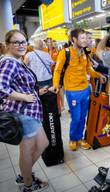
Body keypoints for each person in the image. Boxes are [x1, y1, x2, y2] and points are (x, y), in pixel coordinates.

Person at [0, 30, 49, 192]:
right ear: (7, 45)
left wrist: (36, 92)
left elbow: (18, 84)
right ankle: (28, 184)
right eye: (16, 42)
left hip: (31, 113)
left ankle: (24, 174)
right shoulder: (10, 62)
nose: (21, 45)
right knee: (27, 151)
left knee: (43, 143)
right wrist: (24, 97)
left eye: (23, 42)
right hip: (23, 114)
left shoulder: (16, 60)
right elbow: (1, 88)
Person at [53, 28, 106, 151]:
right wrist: (56, 84)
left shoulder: (86, 52)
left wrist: (99, 75)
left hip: (85, 90)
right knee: (76, 117)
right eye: (82, 38)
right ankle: (73, 139)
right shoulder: (65, 53)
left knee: (83, 117)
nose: (85, 40)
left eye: (86, 38)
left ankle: (80, 138)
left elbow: (88, 69)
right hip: (72, 92)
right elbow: (58, 70)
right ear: (74, 39)